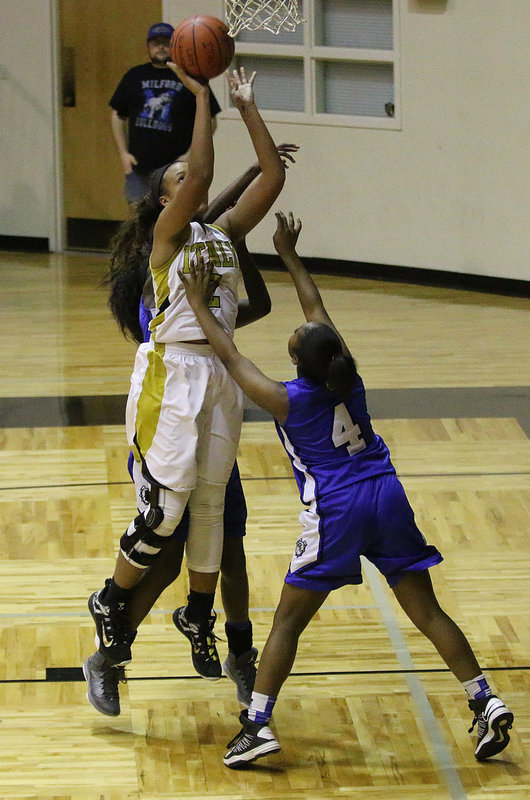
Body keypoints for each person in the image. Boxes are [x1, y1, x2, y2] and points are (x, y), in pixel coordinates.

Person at [178, 211, 515, 768]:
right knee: (427, 610)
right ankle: (485, 697)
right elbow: (316, 312)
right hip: (386, 495)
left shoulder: (288, 399)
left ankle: (257, 724)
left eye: (295, 338)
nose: (299, 327)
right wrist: (288, 254)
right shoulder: (346, 374)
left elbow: (231, 354)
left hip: (337, 509)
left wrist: (196, 302)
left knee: (287, 620)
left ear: (296, 361)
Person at [86, 64, 287, 710]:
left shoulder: (222, 236)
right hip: (171, 374)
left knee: (208, 508)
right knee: (165, 510)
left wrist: (247, 105)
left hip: (220, 376)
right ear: (165, 197)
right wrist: (202, 99)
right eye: (176, 177)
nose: (188, 179)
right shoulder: (165, 239)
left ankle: (198, 615)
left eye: (186, 174)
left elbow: (274, 177)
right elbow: (200, 176)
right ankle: (111, 601)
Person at [110, 22, 221, 203]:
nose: (160, 47)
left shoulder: (189, 76)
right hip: (139, 170)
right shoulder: (135, 75)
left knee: (179, 219)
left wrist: (191, 153)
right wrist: (123, 153)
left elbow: (211, 119)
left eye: (166, 42)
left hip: (176, 170)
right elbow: (117, 114)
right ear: (148, 46)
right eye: (155, 42)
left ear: (175, 46)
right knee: (139, 222)